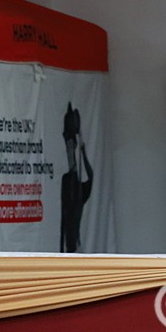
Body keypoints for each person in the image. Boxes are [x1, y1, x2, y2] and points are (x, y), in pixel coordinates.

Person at [60, 102, 93, 253]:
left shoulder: (80, 190)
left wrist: (84, 153)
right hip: (71, 243)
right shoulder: (68, 182)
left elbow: (90, 175)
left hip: (74, 243)